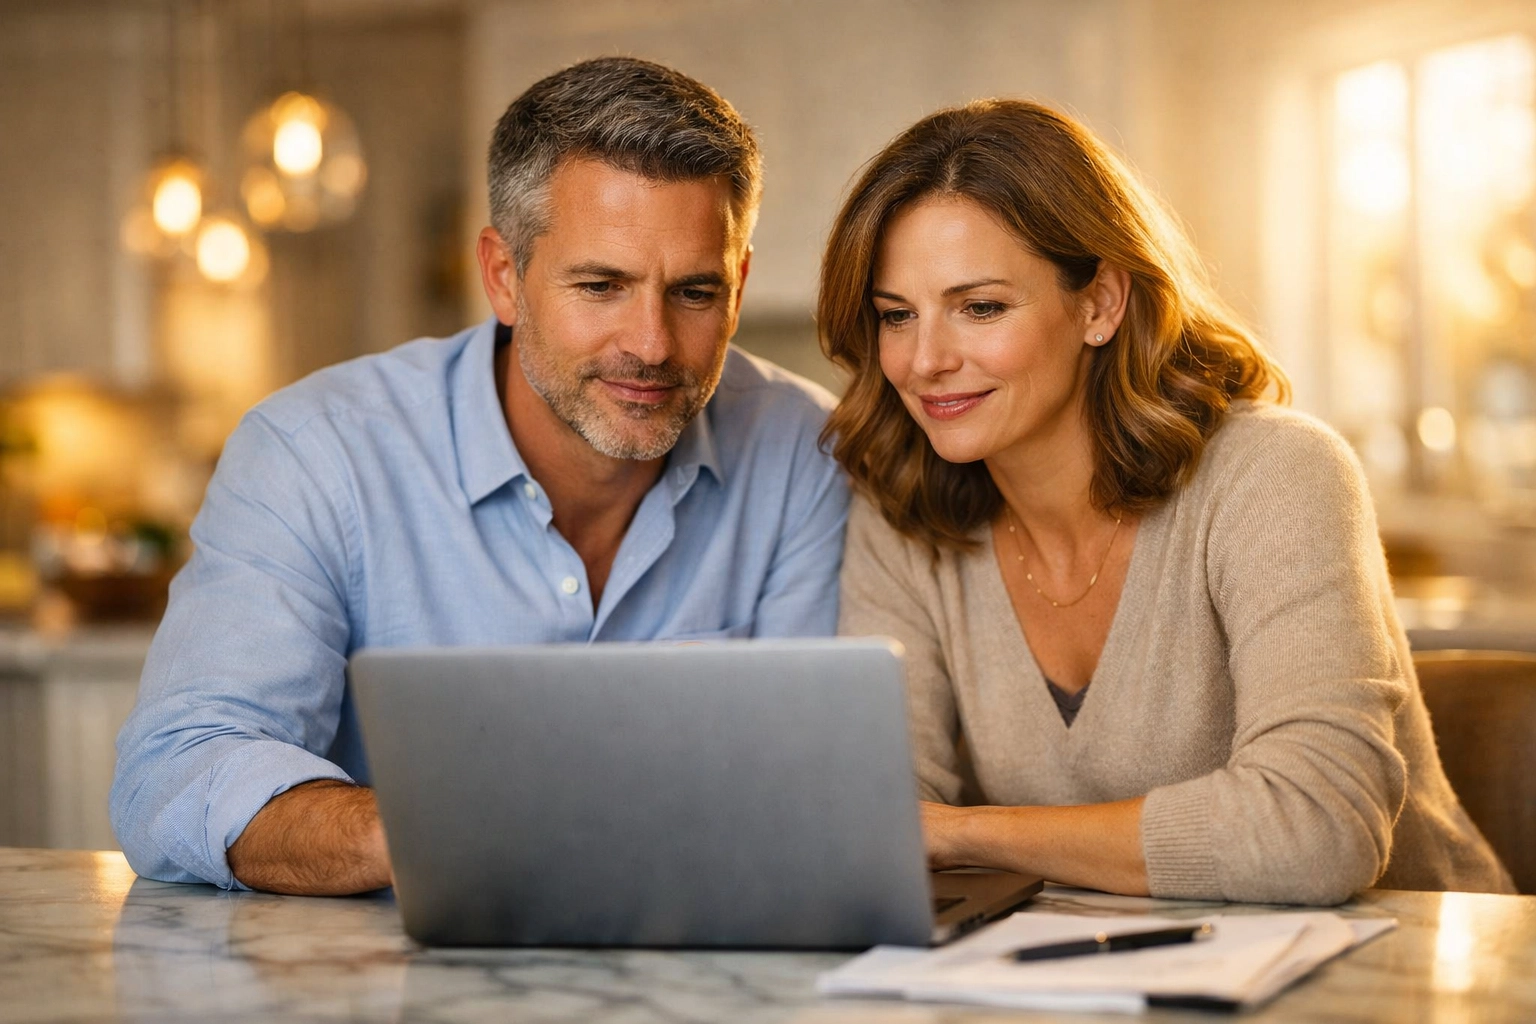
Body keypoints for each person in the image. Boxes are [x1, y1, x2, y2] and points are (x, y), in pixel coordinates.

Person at [111, 57, 849, 896]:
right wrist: (446, 830)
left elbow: (812, 783)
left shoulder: (803, 452)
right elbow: (177, 770)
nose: (651, 343)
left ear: (740, 284)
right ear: (503, 276)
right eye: (600, 285)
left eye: (695, 291)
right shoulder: (314, 452)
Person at [821, 98, 1513, 904]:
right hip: (1094, 977)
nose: (925, 360)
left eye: (981, 307)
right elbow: (879, 817)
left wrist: (964, 829)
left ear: (1100, 304)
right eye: (896, 316)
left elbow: (1317, 830)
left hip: (1408, 977)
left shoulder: (1275, 474)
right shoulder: (902, 512)